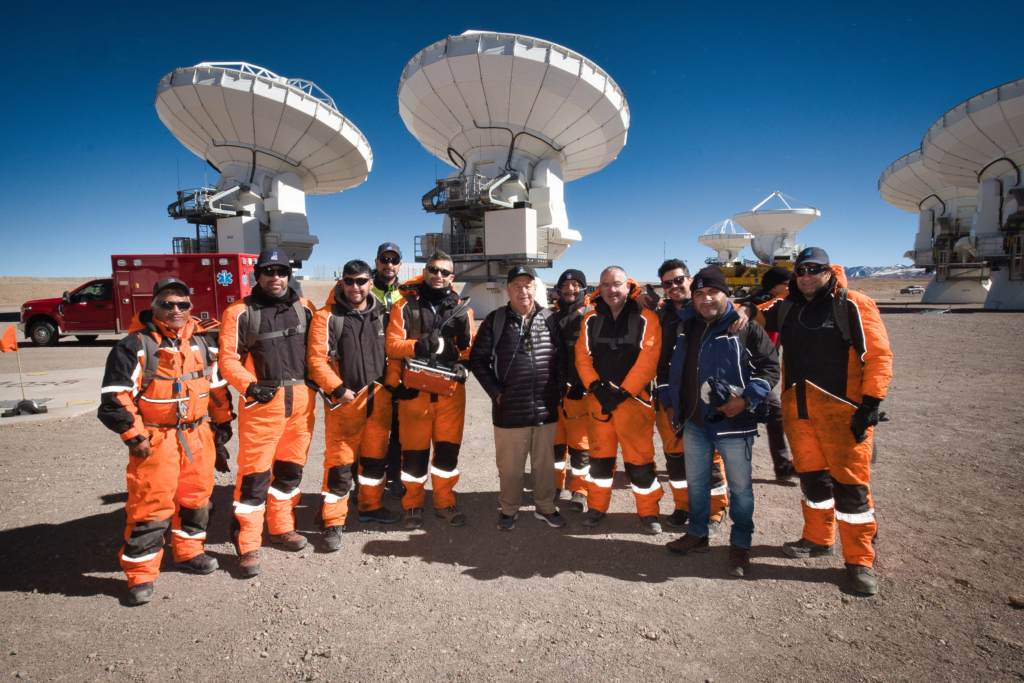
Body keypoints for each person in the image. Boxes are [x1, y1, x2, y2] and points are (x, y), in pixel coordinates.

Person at [742, 247, 893, 594]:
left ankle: (860, 562)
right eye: (800, 271)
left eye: (814, 269)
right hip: (799, 411)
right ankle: (816, 539)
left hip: (844, 412)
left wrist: (870, 403)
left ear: (829, 271)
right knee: (813, 482)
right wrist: (742, 308)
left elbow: (878, 354)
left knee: (851, 487)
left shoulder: (851, 303)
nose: (806, 276)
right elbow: (758, 315)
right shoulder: (789, 304)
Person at [98, 278, 234, 605]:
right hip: (155, 439)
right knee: (151, 505)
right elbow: (114, 398)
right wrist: (134, 435)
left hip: (198, 434)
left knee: (197, 499)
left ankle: (188, 553)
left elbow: (215, 387)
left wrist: (223, 423)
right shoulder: (134, 346)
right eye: (167, 304)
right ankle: (140, 576)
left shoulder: (203, 344)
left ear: (190, 308)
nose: (175, 310)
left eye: (182, 304)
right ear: (154, 307)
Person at [662, 266, 780, 578]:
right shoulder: (685, 326)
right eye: (699, 293)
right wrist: (671, 405)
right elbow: (670, 368)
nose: (705, 299)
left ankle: (740, 544)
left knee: (740, 487)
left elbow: (770, 368)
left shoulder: (744, 326)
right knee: (697, 483)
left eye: (712, 291)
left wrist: (747, 399)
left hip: (734, 423)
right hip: (693, 421)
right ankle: (698, 534)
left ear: (725, 293)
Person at [218, 249, 317, 578]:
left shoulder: (305, 309)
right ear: (256, 275)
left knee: (290, 472)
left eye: (281, 271)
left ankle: (281, 528)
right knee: (255, 477)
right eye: (268, 271)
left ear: (289, 275)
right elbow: (228, 360)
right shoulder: (240, 312)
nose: (275, 277)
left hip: (301, 404)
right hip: (262, 405)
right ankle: (247, 543)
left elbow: (319, 353)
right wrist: (248, 386)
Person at [307, 260, 401, 551]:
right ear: (342, 282)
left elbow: (394, 354)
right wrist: (336, 389)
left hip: (379, 399)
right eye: (349, 281)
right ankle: (333, 520)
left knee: (374, 460)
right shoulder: (327, 316)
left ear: (371, 283)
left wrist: (391, 384)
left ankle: (370, 506)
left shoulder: (383, 314)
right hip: (345, 403)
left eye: (361, 281)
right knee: (340, 465)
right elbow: (315, 360)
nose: (355, 287)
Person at [468, 266, 567, 531]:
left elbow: (562, 360)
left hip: (545, 409)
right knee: (511, 468)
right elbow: (476, 360)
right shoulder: (495, 320)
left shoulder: (550, 319)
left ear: (535, 289)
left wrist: (558, 390)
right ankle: (509, 508)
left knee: (545, 465)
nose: (523, 290)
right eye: (517, 285)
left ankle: (545, 507)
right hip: (509, 411)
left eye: (528, 285)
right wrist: (498, 394)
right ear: (508, 290)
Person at [385, 250, 474, 529]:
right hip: (415, 393)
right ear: (425, 272)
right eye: (433, 270)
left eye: (444, 272)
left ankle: (444, 501)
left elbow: (469, 348)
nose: (438, 276)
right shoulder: (404, 307)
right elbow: (390, 346)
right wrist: (416, 347)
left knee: (447, 452)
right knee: (414, 453)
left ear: (452, 277)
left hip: (450, 395)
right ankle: (412, 504)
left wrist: (463, 366)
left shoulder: (462, 309)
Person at [575, 266, 663, 534]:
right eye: (605, 284)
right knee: (599, 460)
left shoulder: (646, 318)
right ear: (598, 289)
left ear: (628, 286)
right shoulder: (590, 320)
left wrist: (624, 391)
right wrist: (596, 387)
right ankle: (596, 507)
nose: (611, 290)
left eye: (616, 284)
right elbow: (582, 356)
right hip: (598, 402)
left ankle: (648, 512)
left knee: (640, 462)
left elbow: (649, 359)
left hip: (634, 403)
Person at [652, 260, 730, 534]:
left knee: (709, 456)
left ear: (689, 279)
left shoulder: (704, 310)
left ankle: (715, 510)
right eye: (667, 283)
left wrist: (747, 308)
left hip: (701, 398)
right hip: (669, 396)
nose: (674, 287)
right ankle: (683, 505)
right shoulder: (662, 313)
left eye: (678, 280)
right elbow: (661, 361)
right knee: (674, 455)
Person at [737, 265, 796, 480]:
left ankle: (782, 466)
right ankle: (781, 466)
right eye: (787, 284)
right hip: (751, 371)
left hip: (759, 371)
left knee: (774, 416)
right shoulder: (757, 306)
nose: (792, 287)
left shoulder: (780, 305)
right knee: (775, 414)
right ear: (775, 286)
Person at [549, 268, 591, 513]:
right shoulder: (550, 317)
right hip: (555, 391)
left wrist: (583, 382)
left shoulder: (591, 316)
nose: (570, 289)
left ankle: (580, 489)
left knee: (580, 445)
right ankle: (555, 485)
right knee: (555, 443)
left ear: (583, 288)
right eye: (565, 285)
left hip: (580, 392)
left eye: (575, 284)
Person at [371, 242, 406, 502]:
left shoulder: (406, 294)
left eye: (393, 260)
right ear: (376, 262)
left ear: (400, 265)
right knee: (369, 432)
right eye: (384, 259)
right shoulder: (360, 288)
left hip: (399, 373)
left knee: (399, 430)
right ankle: (366, 484)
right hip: (367, 373)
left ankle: (395, 477)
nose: (389, 264)